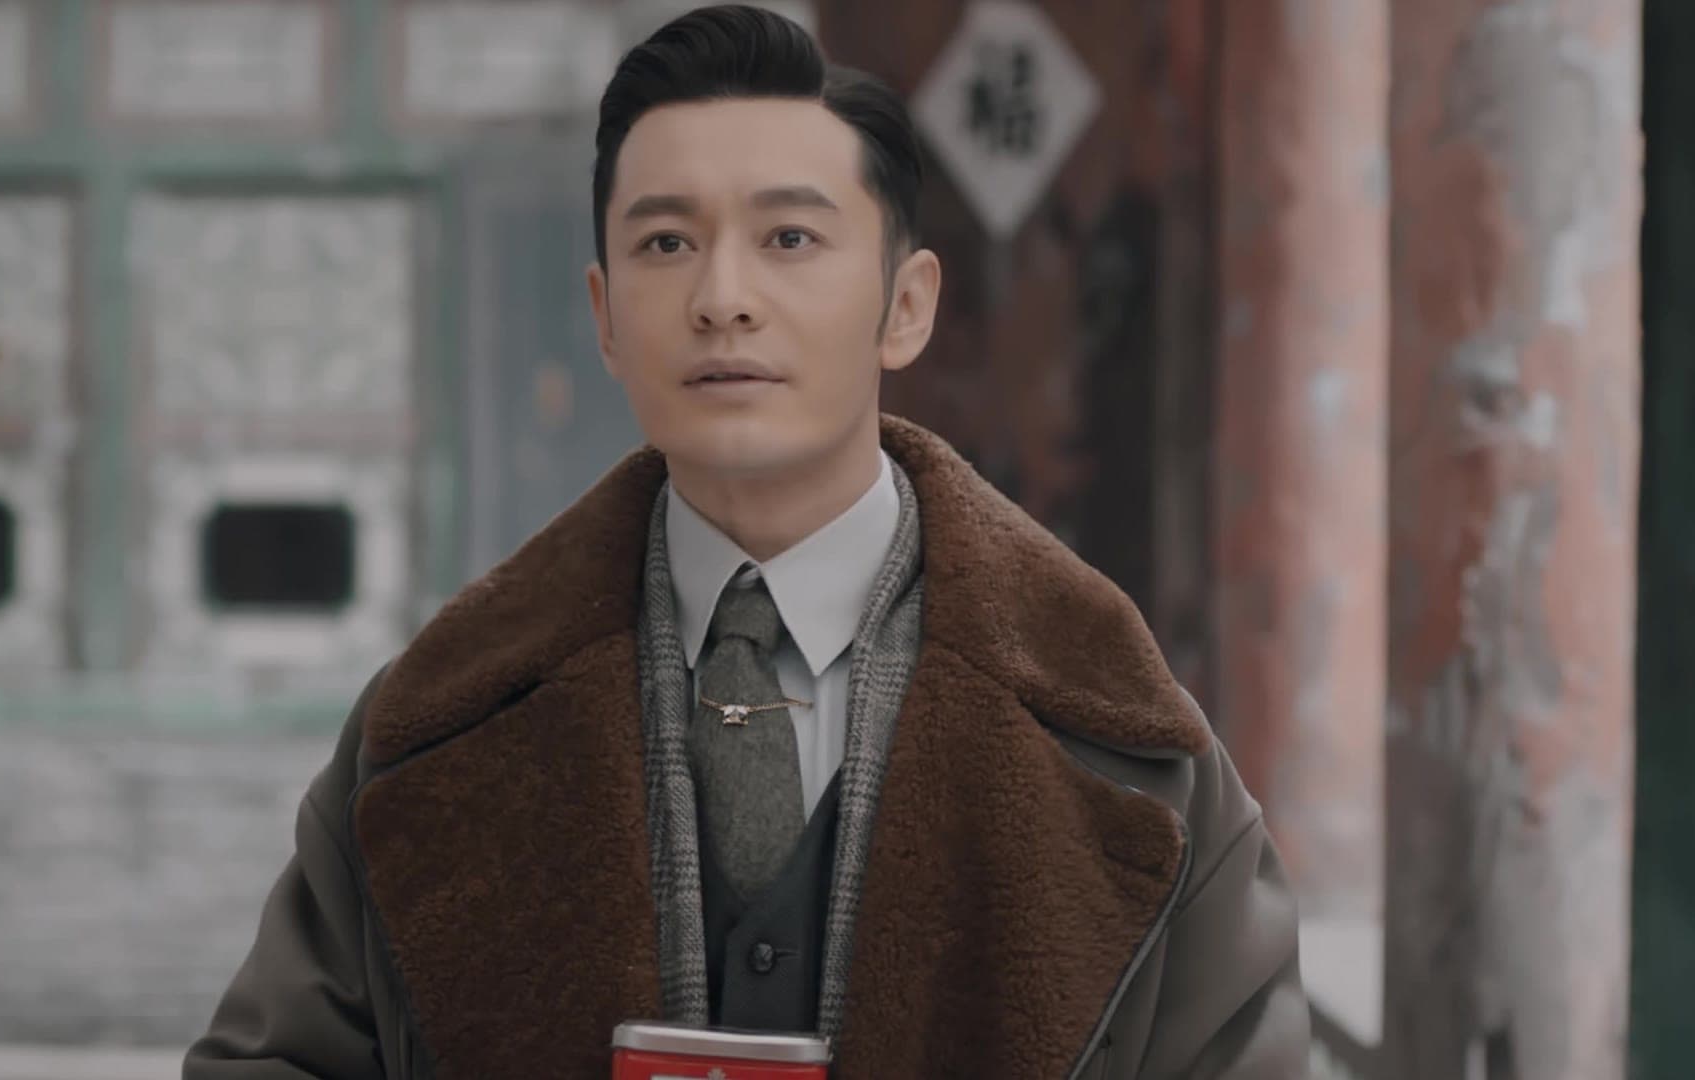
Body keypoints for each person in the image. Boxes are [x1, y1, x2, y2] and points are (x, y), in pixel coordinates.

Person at [184, 6, 1308, 1077]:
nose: (723, 297)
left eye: (789, 237)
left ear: (906, 306)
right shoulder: (429, 727)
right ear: (605, 316)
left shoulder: (1131, 751)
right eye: (667, 241)